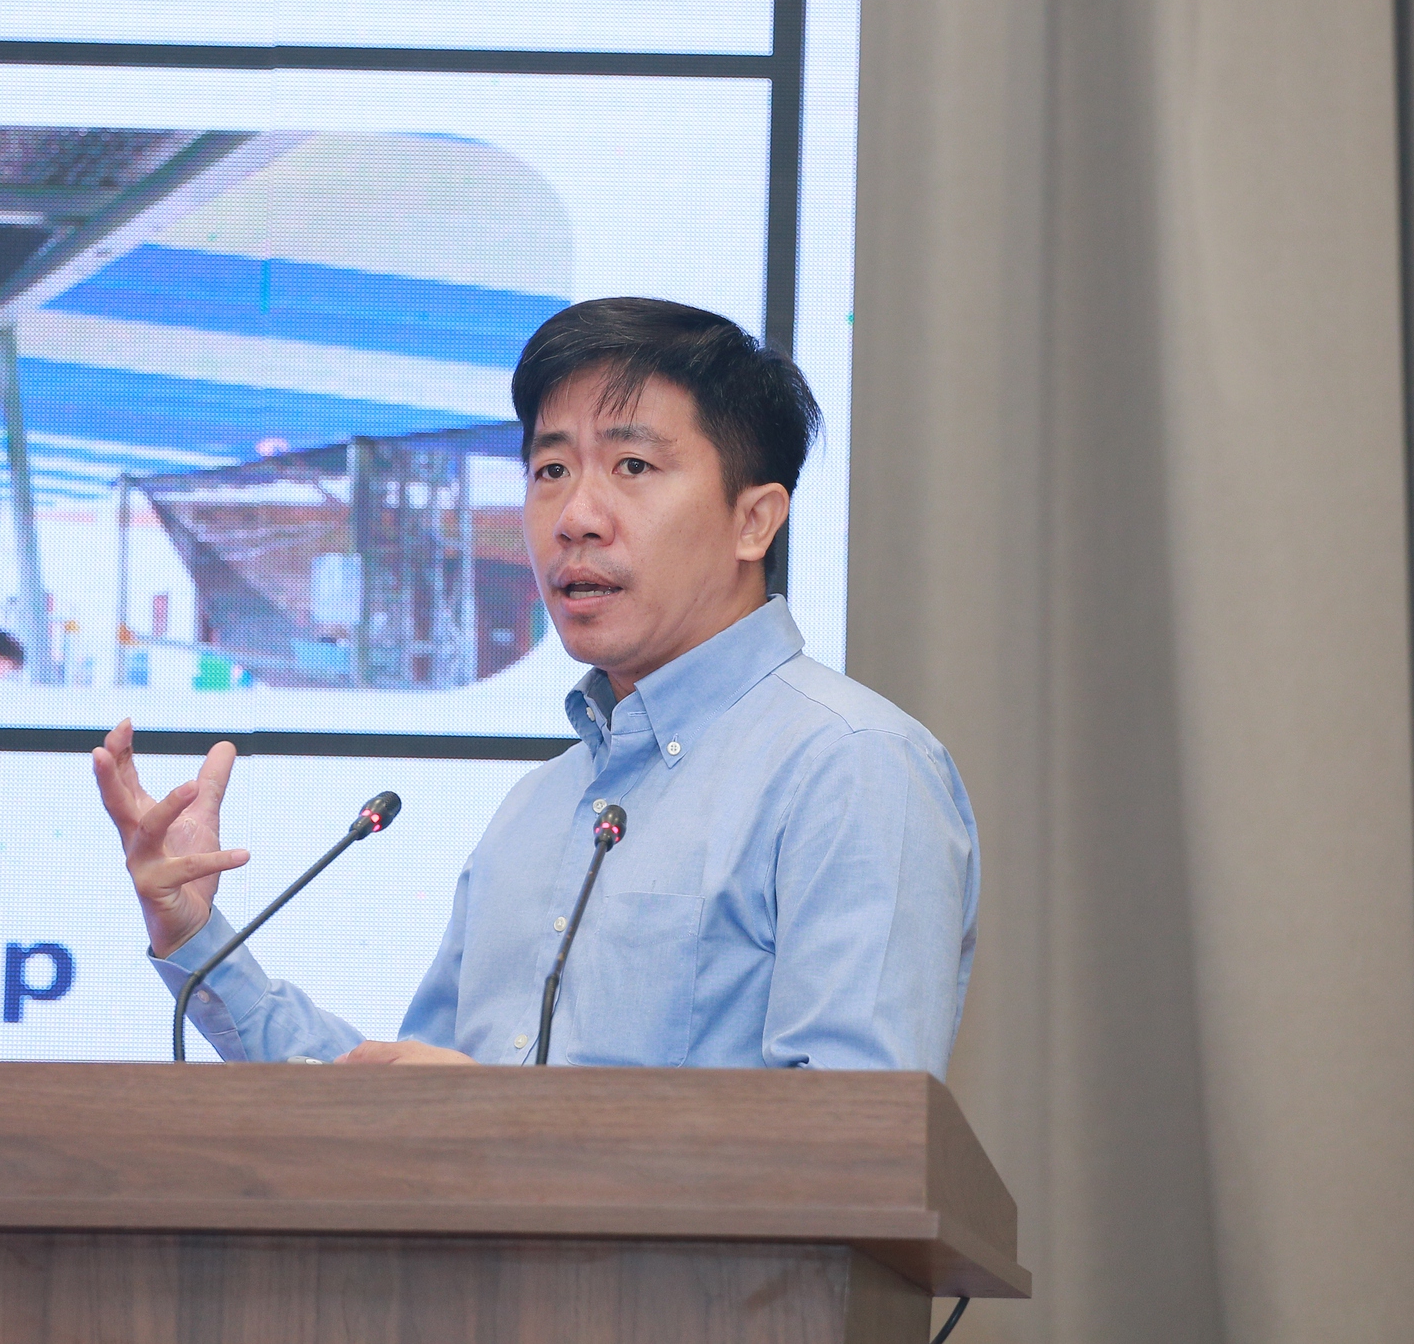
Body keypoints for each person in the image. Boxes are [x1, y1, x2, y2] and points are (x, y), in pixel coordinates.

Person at [92, 298, 980, 1073]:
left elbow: (854, 1140)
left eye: (633, 467)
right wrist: (196, 938)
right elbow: (397, 1103)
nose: (576, 518)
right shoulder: (538, 808)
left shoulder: (852, 766)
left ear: (755, 521)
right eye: (551, 470)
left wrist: (500, 1122)